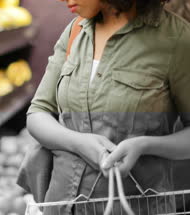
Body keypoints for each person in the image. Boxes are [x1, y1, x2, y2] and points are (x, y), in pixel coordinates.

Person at [17, 0, 190, 214]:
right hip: (62, 205)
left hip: (136, 206)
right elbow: (38, 112)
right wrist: (78, 142)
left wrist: (145, 145)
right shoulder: (75, 31)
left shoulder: (176, 39)